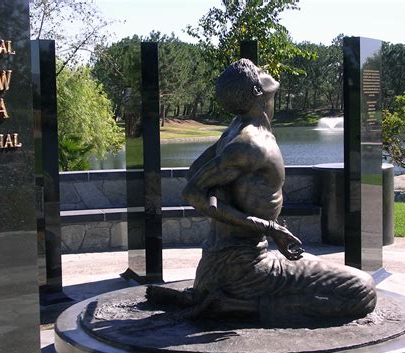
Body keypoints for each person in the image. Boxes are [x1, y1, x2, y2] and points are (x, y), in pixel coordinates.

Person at [150, 59, 377, 320]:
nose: (266, 70)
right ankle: (235, 306)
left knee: (325, 271)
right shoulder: (250, 143)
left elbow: (195, 173)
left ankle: (218, 297)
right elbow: (193, 192)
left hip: (226, 264)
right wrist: (271, 228)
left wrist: (223, 197)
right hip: (243, 269)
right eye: (260, 71)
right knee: (363, 288)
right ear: (258, 90)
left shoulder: (236, 129)